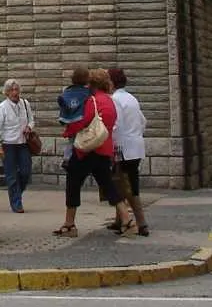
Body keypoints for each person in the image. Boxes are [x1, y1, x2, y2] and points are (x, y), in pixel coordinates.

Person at [53, 68, 134, 237]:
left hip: (87, 149)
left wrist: (68, 132)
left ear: (93, 84)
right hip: (104, 149)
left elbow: (83, 122)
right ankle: (126, 219)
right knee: (108, 185)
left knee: (73, 183)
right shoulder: (109, 101)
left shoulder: (93, 101)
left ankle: (69, 225)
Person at [107, 66, 150, 236]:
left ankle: (141, 222)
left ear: (112, 82)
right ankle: (119, 220)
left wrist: (114, 148)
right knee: (125, 183)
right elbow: (143, 121)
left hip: (123, 148)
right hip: (136, 146)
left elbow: (116, 126)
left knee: (126, 186)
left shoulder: (116, 100)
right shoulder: (132, 98)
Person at [0, 79, 36, 213]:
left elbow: (31, 120)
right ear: (6, 93)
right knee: (11, 175)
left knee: (25, 171)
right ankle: (16, 203)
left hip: (23, 143)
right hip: (8, 144)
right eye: (11, 90)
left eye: (16, 89)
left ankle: (16, 193)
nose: (15, 92)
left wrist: (29, 127)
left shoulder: (25, 103)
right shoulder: (3, 107)